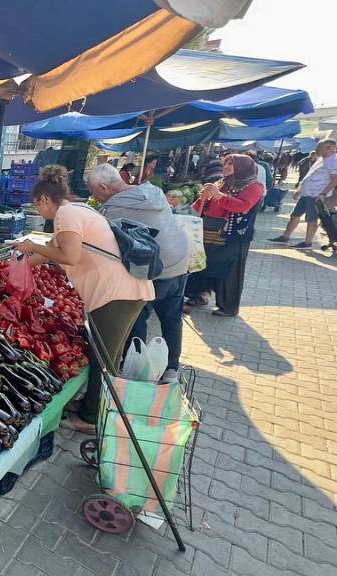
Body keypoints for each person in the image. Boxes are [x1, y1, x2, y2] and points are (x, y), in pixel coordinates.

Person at [16, 166, 154, 434]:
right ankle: (92, 406)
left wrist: (32, 246)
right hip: (122, 291)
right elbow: (52, 253)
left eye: (37, 205)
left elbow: (70, 256)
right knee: (104, 352)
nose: (39, 211)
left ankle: (92, 419)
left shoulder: (66, 214)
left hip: (117, 294)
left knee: (104, 357)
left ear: (44, 200)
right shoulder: (77, 210)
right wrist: (21, 265)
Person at [86, 164, 190, 383]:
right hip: (181, 263)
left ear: (104, 187)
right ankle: (171, 369)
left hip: (155, 270)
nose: (93, 196)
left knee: (136, 317)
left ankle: (136, 371)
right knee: (172, 318)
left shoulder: (114, 209)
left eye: (93, 191)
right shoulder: (151, 192)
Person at [185, 154, 265, 317]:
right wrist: (205, 195)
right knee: (203, 263)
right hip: (209, 229)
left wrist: (218, 195)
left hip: (232, 235)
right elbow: (200, 204)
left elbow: (242, 207)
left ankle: (228, 306)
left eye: (231, 164)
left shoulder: (254, 186)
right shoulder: (221, 182)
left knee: (229, 271)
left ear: (242, 167)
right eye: (226, 163)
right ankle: (200, 295)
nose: (226, 166)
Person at [269, 140, 337, 249]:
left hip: (316, 195)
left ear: (329, 147)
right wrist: (300, 189)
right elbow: (310, 175)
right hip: (307, 193)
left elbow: (335, 179)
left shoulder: (334, 161)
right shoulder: (321, 159)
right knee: (295, 215)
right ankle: (285, 237)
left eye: (320, 146)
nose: (317, 149)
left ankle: (307, 243)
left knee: (311, 219)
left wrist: (323, 193)